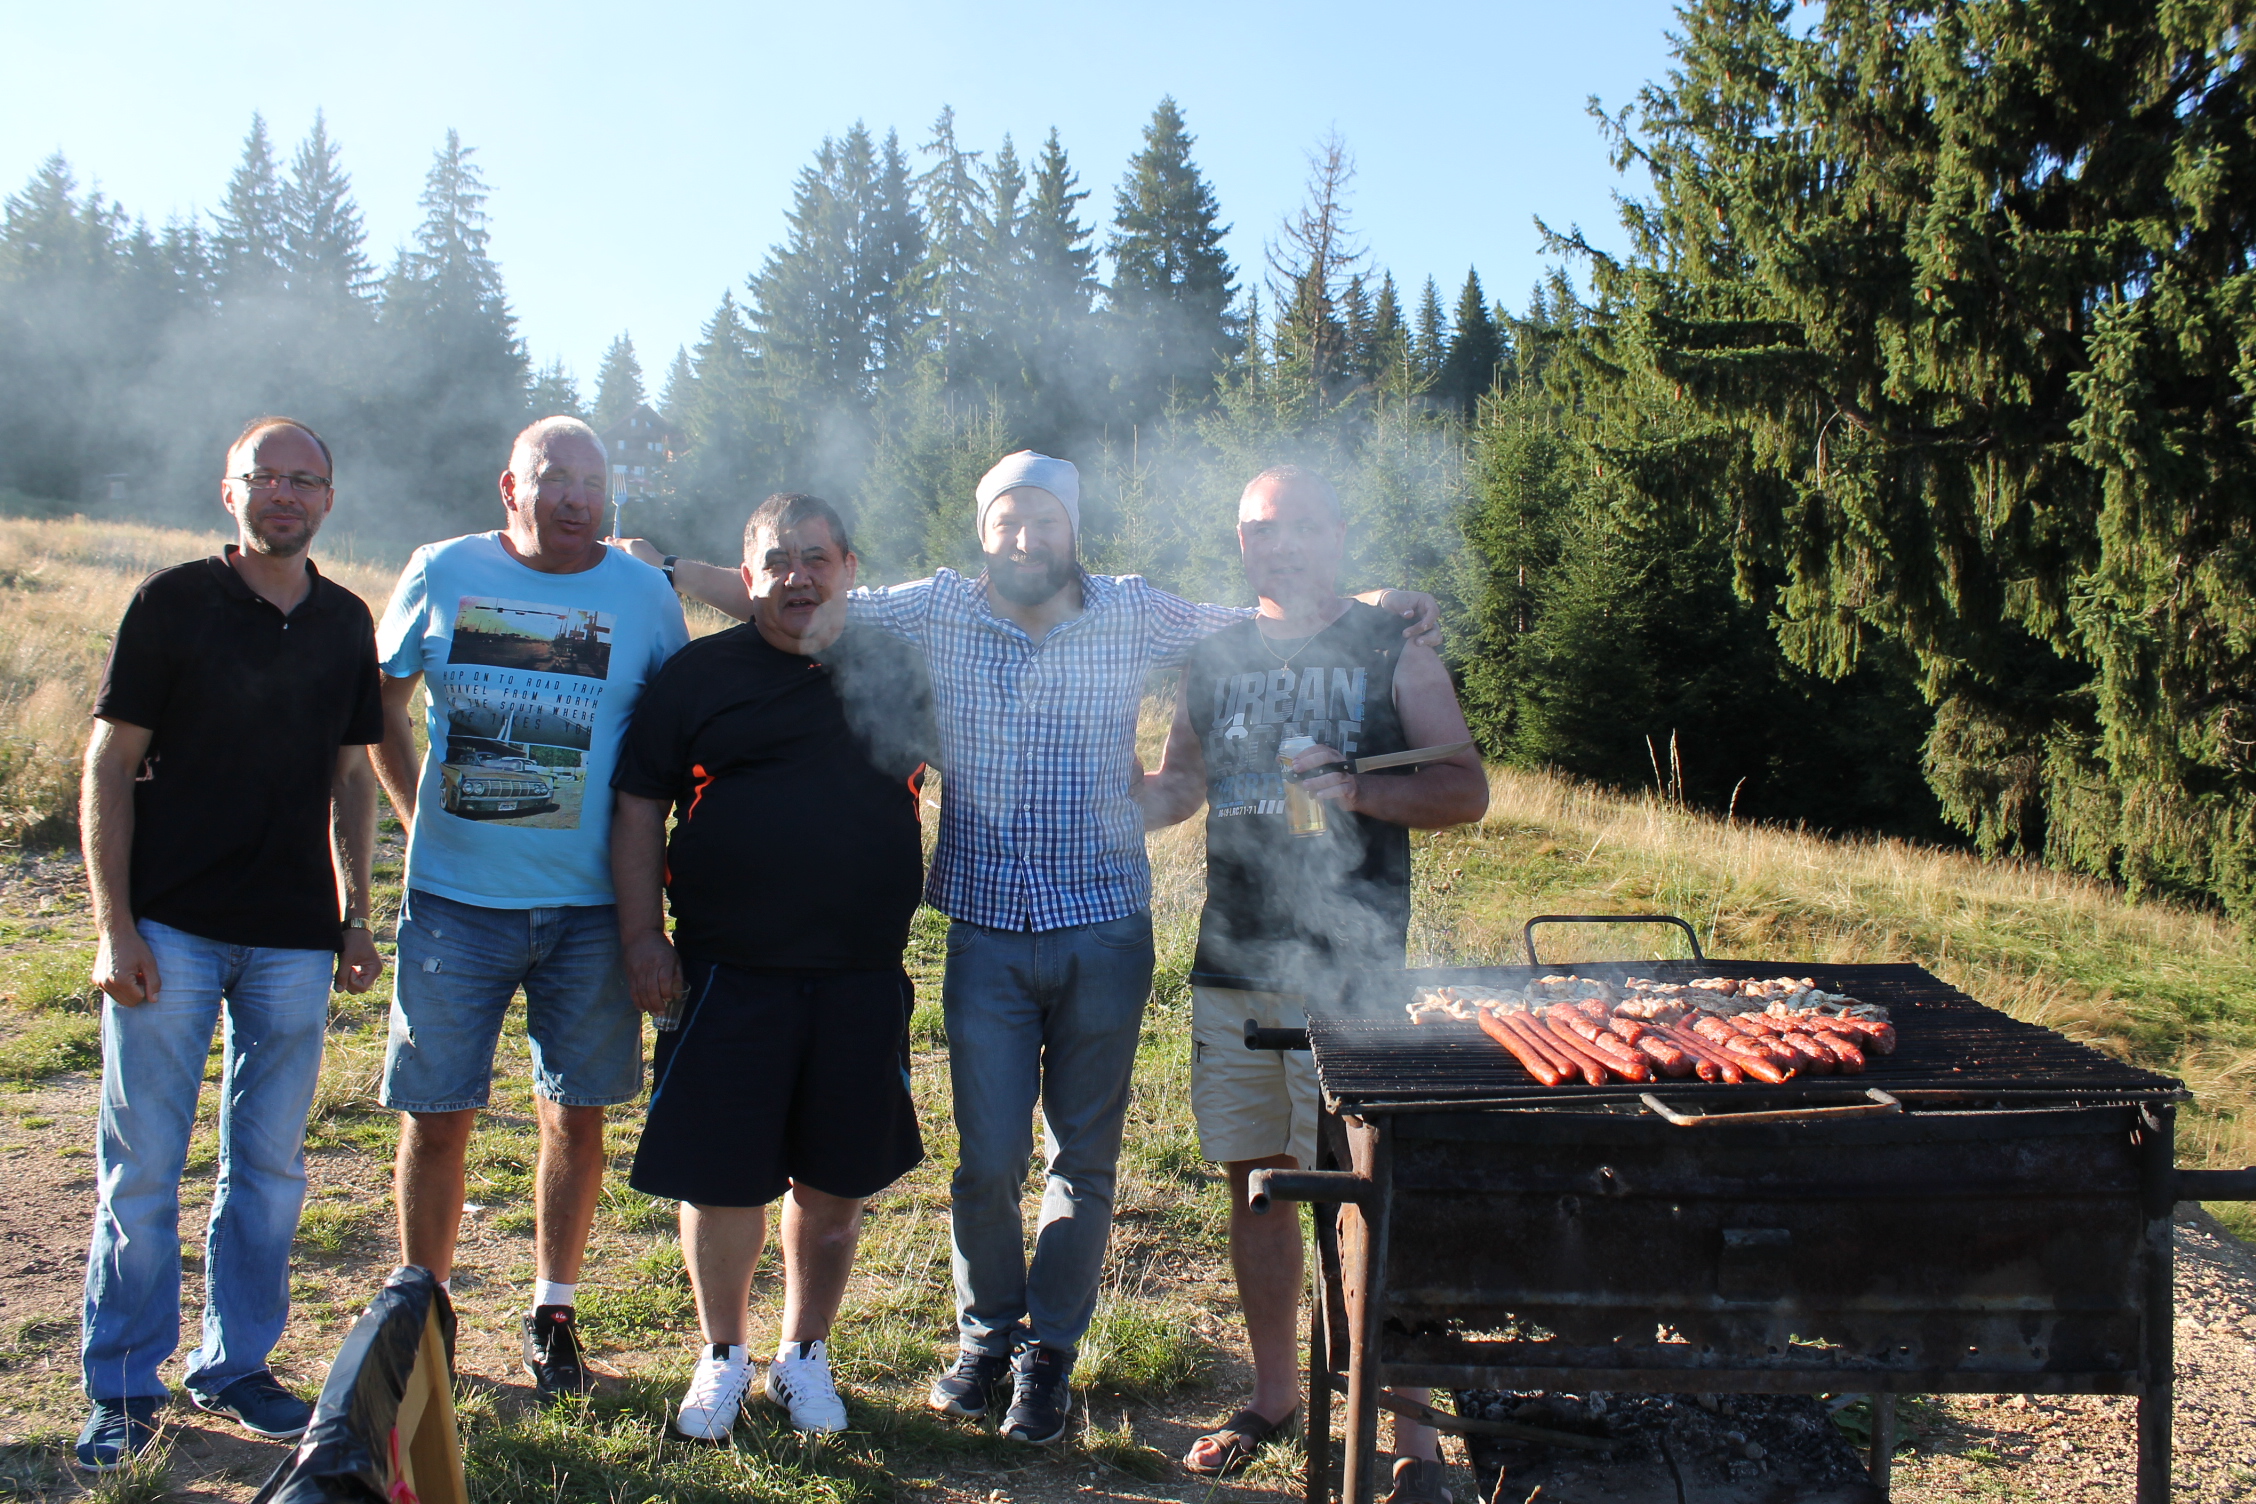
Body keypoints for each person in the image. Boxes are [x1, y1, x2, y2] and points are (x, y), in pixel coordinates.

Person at [615, 450, 1440, 1446]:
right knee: (986, 1162)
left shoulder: (1136, 609)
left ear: (1072, 529)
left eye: (1044, 520)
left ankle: (1048, 1354)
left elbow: (1265, 615)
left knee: (1082, 1162)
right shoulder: (939, 608)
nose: (1025, 537)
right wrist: (664, 573)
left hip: (1104, 926)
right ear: (983, 530)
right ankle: (984, 1341)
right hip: (987, 928)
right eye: (1007, 520)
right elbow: (803, 590)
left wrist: (1375, 601)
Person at [1138, 465, 1487, 1503]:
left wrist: (1358, 789)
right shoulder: (1214, 655)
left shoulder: (1394, 649)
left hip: (1358, 975)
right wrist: (1099, 785)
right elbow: (1179, 787)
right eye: (1256, 530)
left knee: (1375, 1198)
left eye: (1293, 527)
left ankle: (1414, 1435)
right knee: (1256, 1185)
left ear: (1336, 533)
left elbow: (1465, 788)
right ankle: (1276, 1394)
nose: (1274, 546)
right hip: (1235, 962)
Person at [76, 417, 386, 1470]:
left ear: (329, 501)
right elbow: (109, 763)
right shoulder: (171, 603)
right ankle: (123, 1385)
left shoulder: (347, 621)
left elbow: (352, 777)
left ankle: (237, 1361)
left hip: (295, 938)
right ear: (230, 491)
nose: (285, 495)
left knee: (268, 1167)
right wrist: (114, 925)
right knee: (145, 1165)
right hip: (169, 926)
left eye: (306, 480)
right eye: (267, 477)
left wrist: (354, 916)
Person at [369, 416, 687, 1399]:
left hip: (593, 909)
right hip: (455, 906)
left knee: (576, 1116)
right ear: (511, 485)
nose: (579, 498)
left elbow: (675, 730)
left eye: (594, 481)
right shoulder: (442, 568)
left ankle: (554, 1311)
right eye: (557, 479)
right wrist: (417, 811)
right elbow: (380, 699)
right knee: (437, 1113)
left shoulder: (641, 593)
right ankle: (425, 1314)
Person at [610, 492, 936, 1440]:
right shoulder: (697, 677)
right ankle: (721, 1355)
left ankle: (804, 1355)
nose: (799, 575)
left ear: (848, 568)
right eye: (778, 560)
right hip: (723, 972)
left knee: (833, 1189)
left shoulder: (895, 671)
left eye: (817, 557)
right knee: (721, 1183)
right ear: (746, 576)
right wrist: (642, 937)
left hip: (859, 973)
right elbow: (637, 809)